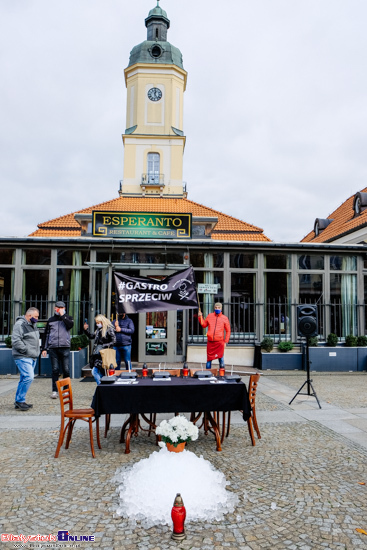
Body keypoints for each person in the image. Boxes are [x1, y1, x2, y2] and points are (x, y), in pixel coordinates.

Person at [42, 301, 74, 399]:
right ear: (54, 308)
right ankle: (55, 390)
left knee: (66, 370)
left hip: (65, 347)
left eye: (61, 307)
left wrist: (63, 316)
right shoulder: (51, 320)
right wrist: (44, 348)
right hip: (53, 348)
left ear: (64, 308)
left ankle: (65, 390)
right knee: (55, 370)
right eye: (57, 307)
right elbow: (46, 335)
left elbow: (70, 325)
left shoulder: (68, 318)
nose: (59, 309)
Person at [12, 307, 40, 410]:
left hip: (31, 356)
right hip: (23, 356)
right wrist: (26, 350)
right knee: (29, 377)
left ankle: (19, 400)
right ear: (29, 316)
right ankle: (20, 400)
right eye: (36, 316)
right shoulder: (20, 324)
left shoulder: (32, 324)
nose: (37, 318)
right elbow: (15, 340)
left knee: (24, 378)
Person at [84, 314, 116, 385]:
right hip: (98, 355)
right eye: (96, 323)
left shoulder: (109, 329)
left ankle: (100, 386)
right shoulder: (99, 330)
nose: (97, 324)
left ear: (102, 322)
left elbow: (114, 341)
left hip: (104, 354)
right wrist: (86, 330)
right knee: (101, 372)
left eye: (98, 323)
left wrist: (103, 346)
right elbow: (92, 336)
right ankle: (103, 386)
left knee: (95, 372)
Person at [198, 302, 231, 369]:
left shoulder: (225, 318)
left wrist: (226, 341)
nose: (217, 309)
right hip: (210, 342)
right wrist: (200, 317)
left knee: (221, 359)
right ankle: (208, 374)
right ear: (214, 308)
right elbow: (204, 325)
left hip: (220, 342)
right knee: (209, 360)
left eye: (218, 307)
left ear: (221, 308)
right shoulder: (210, 316)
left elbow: (228, 331)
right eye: (216, 307)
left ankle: (222, 374)